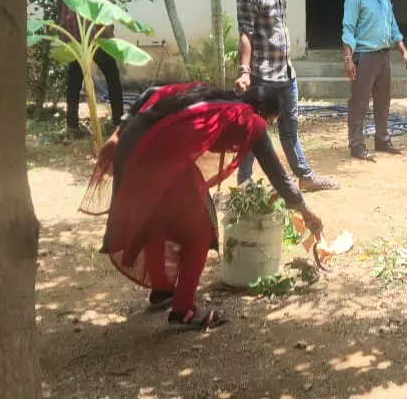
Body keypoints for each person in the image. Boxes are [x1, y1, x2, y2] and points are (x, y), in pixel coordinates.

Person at [80, 84, 324, 329]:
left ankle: (162, 289)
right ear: (260, 110)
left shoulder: (210, 97)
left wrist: (118, 132)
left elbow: (151, 92)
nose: (266, 126)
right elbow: (278, 175)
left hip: (132, 145)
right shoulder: (247, 119)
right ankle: (183, 310)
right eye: (269, 120)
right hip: (154, 155)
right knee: (199, 230)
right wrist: (306, 211)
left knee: (156, 218)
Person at [235, 0, 338, 191]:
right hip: (262, 77)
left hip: (286, 74)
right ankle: (244, 184)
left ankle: (305, 177)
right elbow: (246, 34)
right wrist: (245, 71)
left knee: (290, 130)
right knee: (253, 133)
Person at [342, 0, 407, 160]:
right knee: (359, 103)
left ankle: (382, 140)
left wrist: (404, 52)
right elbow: (348, 30)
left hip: (384, 56)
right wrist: (348, 59)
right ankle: (357, 145)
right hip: (364, 56)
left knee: (383, 101)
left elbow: (393, 28)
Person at [61, 0, 123, 138]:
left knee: (74, 80)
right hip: (93, 36)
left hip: (73, 36)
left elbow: (60, 4)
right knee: (112, 78)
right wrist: (107, 33)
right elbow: (100, 7)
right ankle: (118, 122)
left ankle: (72, 126)